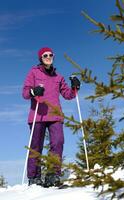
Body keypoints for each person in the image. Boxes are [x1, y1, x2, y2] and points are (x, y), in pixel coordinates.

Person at [22, 47, 80, 187]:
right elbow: (25, 93)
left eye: (50, 55)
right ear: (40, 58)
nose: (48, 57)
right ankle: (34, 177)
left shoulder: (58, 77)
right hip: (38, 115)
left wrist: (75, 87)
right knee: (36, 146)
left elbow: (68, 95)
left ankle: (53, 175)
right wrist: (33, 91)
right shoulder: (33, 72)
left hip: (55, 116)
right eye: (45, 55)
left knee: (58, 142)